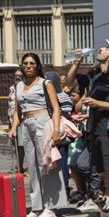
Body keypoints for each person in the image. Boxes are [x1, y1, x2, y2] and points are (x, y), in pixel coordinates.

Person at [66, 40, 109, 202]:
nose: (101, 48)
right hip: (95, 130)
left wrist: (96, 103)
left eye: (107, 48)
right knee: (104, 173)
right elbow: (68, 82)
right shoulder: (96, 74)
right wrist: (77, 60)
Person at [7, 53, 67, 217]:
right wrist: (13, 128)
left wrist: (55, 130)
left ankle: (50, 207)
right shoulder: (19, 85)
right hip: (26, 124)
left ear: (38, 65)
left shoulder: (45, 83)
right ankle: (37, 206)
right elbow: (18, 112)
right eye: (25, 63)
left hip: (42, 122)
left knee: (46, 164)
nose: (28, 66)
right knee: (32, 166)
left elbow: (56, 108)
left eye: (32, 63)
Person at [45, 72, 75, 200]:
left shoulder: (62, 96)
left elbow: (66, 113)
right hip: (51, 134)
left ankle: (64, 189)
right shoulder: (60, 96)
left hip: (60, 135)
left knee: (61, 164)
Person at [7, 70, 26, 173]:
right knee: (14, 145)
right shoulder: (11, 88)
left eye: (20, 76)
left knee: (21, 145)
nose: (18, 77)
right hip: (12, 121)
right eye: (16, 76)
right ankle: (17, 165)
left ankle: (20, 166)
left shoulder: (24, 88)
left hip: (21, 120)